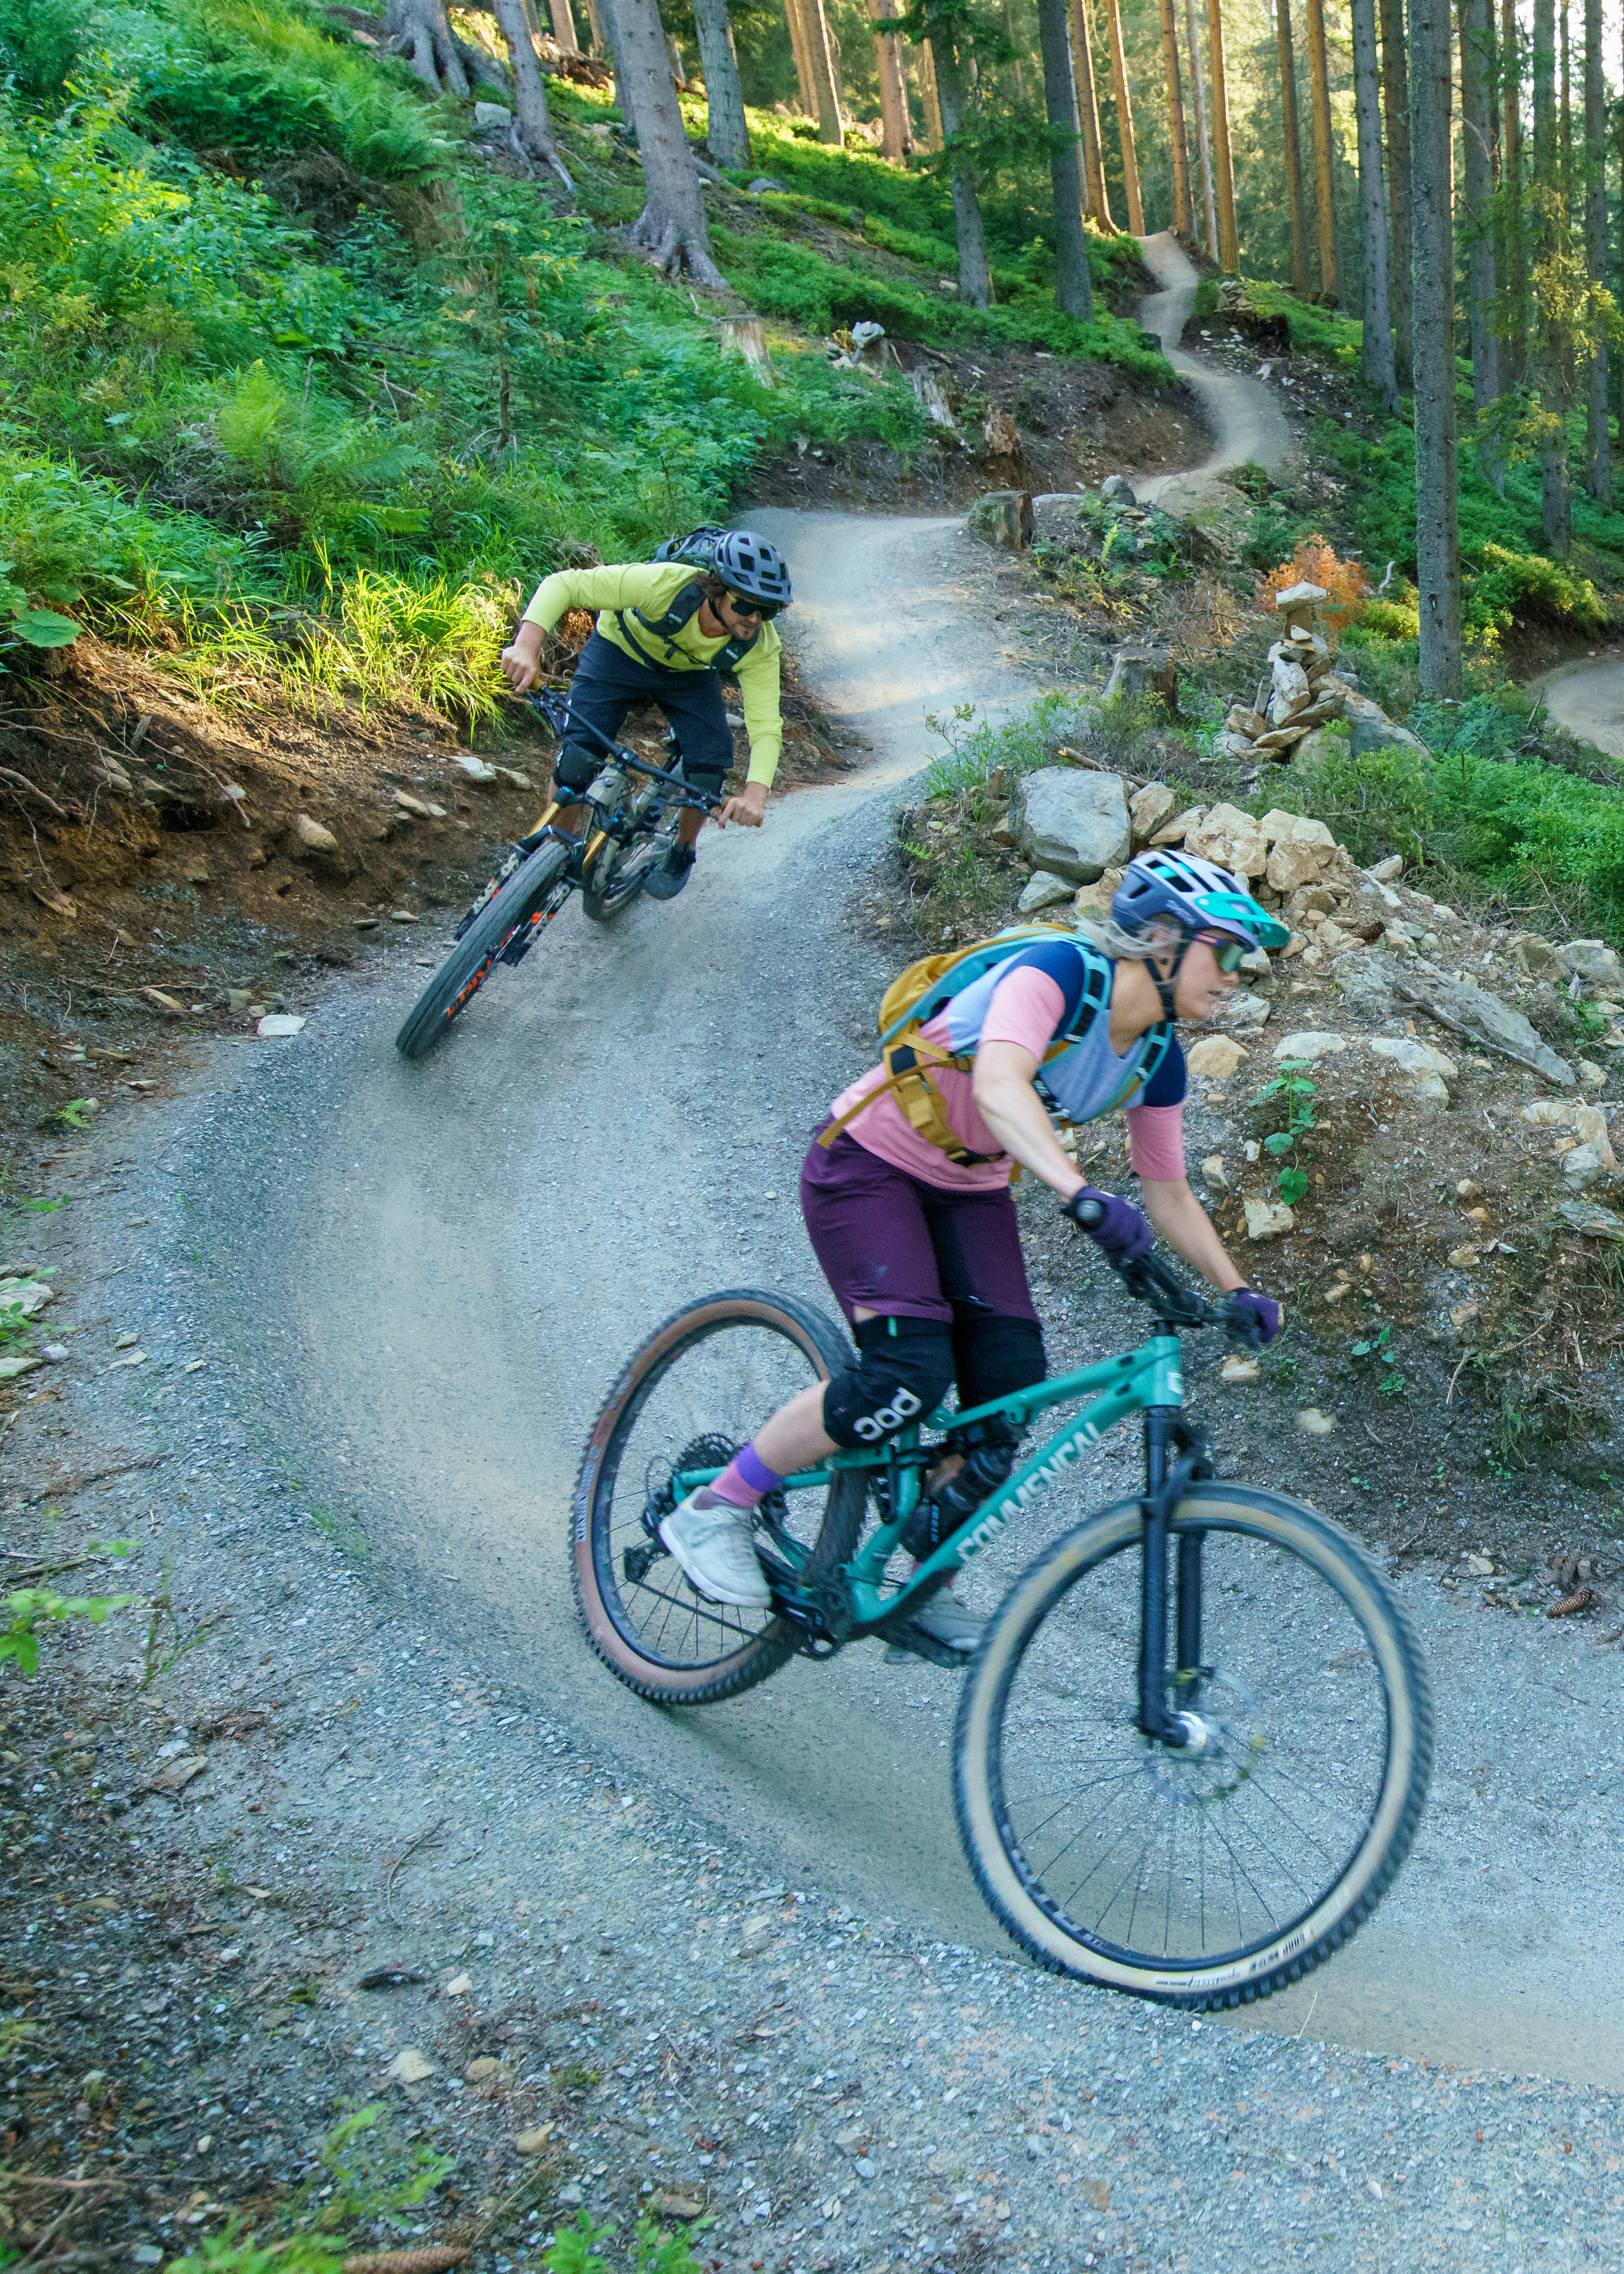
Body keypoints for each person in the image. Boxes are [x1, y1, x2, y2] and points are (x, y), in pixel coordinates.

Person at [656, 850, 1292, 1647]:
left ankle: (920, 1576)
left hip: (971, 1188)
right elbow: (999, 1083)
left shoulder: (1159, 1058)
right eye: (1225, 952)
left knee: (1009, 1393)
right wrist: (1077, 1191)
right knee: (906, 1374)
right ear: (1163, 938)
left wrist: (1236, 1288)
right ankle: (719, 1504)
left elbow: (1167, 1191)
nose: (1237, 974)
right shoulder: (1060, 971)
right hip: (868, 1163)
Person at [498, 528, 791, 900]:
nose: (755, 620)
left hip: (689, 674)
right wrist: (527, 647)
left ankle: (682, 849)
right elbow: (564, 585)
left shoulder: (760, 646)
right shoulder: (664, 585)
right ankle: (558, 848)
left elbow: (766, 726)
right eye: (746, 606)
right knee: (577, 761)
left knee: (709, 768)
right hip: (620, 650)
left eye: (768, 611)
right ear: (717, 589)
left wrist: (756, 794)